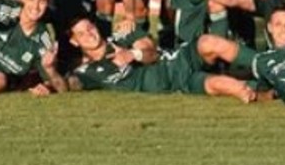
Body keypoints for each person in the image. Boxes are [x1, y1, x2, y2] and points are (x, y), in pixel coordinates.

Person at [66, 16, 256, 102]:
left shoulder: (122, 35)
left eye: (90, 28)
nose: (89, 34)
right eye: (81, 34)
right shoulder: (87, 72)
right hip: (179, 84)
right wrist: (50, 70)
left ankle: (265, 63)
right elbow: (67, 85)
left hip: (177, 60)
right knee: (230, 86)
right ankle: (265, 89)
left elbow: (152, 52)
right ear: (74, 41)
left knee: (209, 42)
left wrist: (133, 54)